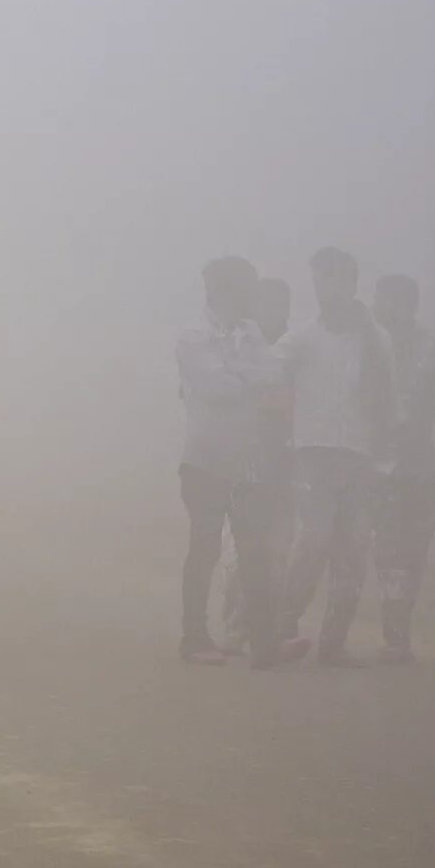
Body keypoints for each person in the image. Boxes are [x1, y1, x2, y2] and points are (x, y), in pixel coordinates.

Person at [275, 247, 393, 666]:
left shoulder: (377, 340)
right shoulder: (302, 337)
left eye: (339, 278)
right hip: (313, 453)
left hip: (360, 456)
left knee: (354, 549)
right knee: (314, 538)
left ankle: (334, 642)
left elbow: (387, 400)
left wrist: (384, 457)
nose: (330, 287)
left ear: (352, 283)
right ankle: (282, 625)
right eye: (323, 278)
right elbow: (271, 375)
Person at [175, 256, 284, 669]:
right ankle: (194, 637)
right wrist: (248, 379)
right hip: (203, 459)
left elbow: (273, 377)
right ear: (224, 291)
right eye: (245, 290)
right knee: (204, 548)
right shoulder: (191, 336)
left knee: (254, 550)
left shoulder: (251, 332)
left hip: (245, 460)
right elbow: (215, 387)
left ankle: (263, 642)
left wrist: (240, 376)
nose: (251, 300)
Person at [371, 273, 435, 663]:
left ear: (408, 304)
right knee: (386, 549)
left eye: (390, 301)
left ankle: (400, 630)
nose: (383, 308)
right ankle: (393, 636)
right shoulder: (366, 347)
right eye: (381, 300)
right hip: (376, 468)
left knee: (414, 551)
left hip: (423, 468)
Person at [215, 275, 293, 656]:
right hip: (242, 461)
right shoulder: (235, 346)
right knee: (239, 553)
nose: (275, 311)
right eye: (267, 303)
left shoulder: (298, 349)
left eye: (282, 303)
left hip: (286, 464)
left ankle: (269, 631)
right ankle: (234, 630)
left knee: (278, 551)